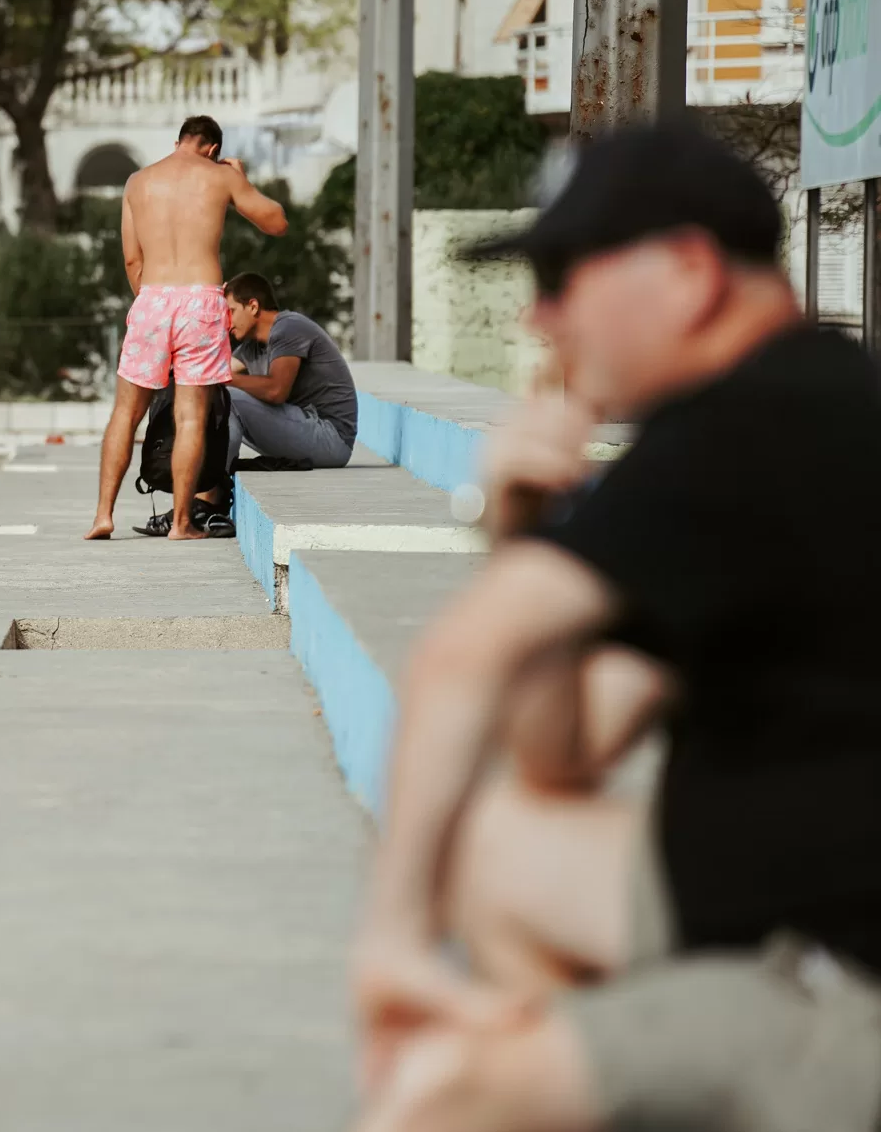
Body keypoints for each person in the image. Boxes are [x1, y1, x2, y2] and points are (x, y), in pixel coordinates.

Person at [350, 121, 881, 1132]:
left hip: (838, 986)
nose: (538, 314)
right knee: (496, 844)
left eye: (562, 276)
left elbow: (461, 657)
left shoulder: (751, 426)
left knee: (440, 1094)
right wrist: (522, 532)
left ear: (686, 271)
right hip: (775, 909)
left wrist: (393, 940)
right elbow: (565, 752)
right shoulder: (801, 400)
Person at [85, 115, 288, 541]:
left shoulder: (137, 182)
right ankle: (181, 523)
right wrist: (240, 180)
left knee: (126, 413)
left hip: (152, 298)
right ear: (212, 149)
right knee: (190, 415)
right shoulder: (219, 176)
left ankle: (103, 515)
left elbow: (132, 260)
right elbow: (276, 222)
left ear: (179, 141)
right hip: (200, 301)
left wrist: (153, 303)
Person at [221, 272, 357, 470]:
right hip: (306, 430)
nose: (226, 321)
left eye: (230, 311)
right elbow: (211, 372)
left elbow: (276, 391)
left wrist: (224, 378)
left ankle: (216, 477)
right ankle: (214, 472)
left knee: (227, 396)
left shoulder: (288, 327)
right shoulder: (252, 347)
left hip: (331, 438)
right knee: (214, 393)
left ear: (253, 306)